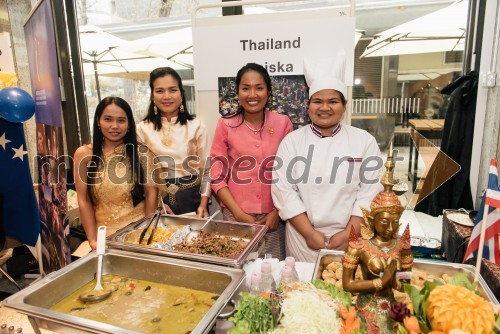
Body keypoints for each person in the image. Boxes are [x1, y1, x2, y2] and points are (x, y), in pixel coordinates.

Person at [271, 51, 384, 262]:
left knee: (345, 287)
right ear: (308, 105)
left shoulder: (363, 141)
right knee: (301, 290)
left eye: (332, 101)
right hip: (303, 237)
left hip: (351, 235)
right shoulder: (292, 142)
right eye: (317, 101)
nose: (324, 108)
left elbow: (370, 192)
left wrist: (350, 232)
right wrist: (309, 234)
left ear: (344, 105)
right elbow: (283, 190)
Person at [210, 63, 293, 260]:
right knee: (238, 268)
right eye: (246, 88)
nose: (252, 94)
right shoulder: (225, 125)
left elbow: (291, 174)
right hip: (235, 215)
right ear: (238, 91)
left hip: (273, 219)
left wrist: (277, 211)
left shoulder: (283, 123)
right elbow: (216, 176)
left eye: (259, 87)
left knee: (272, 271)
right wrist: (238, 214)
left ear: (268, 91)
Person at [342, 148, 412, 333]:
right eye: (384, 222)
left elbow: (406, 281)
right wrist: (379, 283)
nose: (390, 228)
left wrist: (396, 282)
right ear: (372, 220)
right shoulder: (359, 247)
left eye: (395, 222)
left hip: (393, 309)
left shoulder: (402, 246)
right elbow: (347, 285)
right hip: (366, 308)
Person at [74, 96, 158, 250]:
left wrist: (147, 234)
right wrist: (93, 240)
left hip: (137, 234)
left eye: (121, 120)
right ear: (98, 121)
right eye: (108, 119)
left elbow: (152, 193)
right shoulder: (84, 154)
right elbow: (83, 199)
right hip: (103, 237)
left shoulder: (142, 153)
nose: (114, 126)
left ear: (129, 124)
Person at [136, 67, 210, 217]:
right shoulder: (142, 129)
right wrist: (156, 205)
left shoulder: (196, 126)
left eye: (172, 90)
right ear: (152, 95)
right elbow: (140, 175)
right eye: (160, 91)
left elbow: (208, 168)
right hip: (157, 201)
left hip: (192, 199)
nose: (167, 96)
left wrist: (203, 203)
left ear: (181, 93)